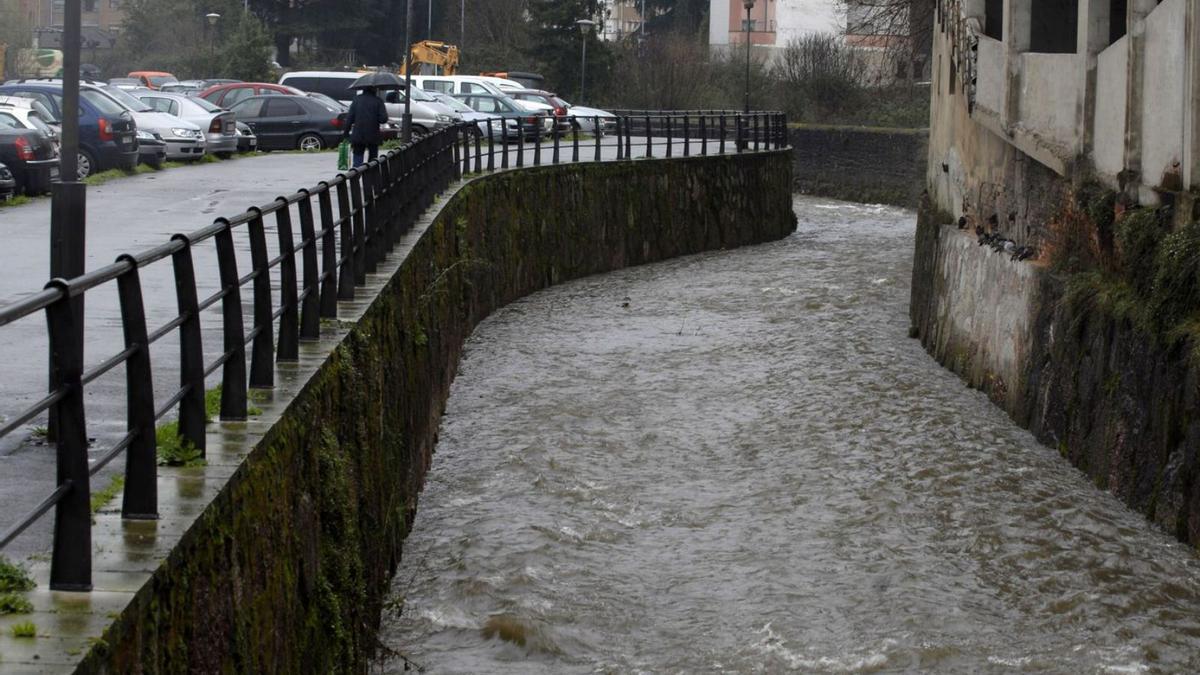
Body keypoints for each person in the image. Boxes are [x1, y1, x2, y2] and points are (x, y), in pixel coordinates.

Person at [343, 86, 389, 167]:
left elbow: (349, 118)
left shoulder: (356, 100)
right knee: (373, 160)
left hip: (358, 134)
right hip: (373, 135)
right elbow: (383, 119)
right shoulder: (378, 101)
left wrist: (346, 133)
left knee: (357, 159)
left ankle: (355, 177)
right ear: (374, 89)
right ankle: (370, 177)